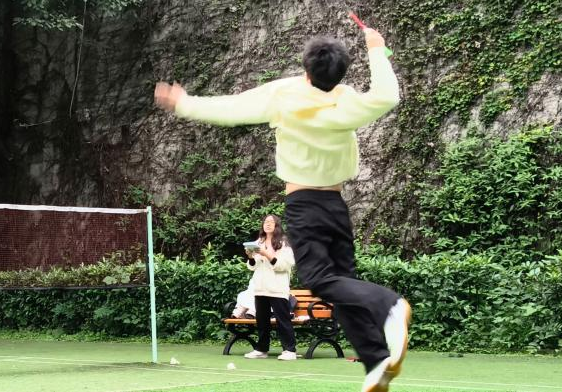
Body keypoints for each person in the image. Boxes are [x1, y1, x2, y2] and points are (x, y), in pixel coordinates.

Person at [155, 28, 411, 392]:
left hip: (304, 204)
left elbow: (233, 108)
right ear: (341, 74)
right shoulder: (349, 102)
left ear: (306, 70)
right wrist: (376, 49)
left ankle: (389, 305)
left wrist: (184, 103)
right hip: (336, 205)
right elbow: (387, 94)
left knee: (320, 281)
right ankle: (376, 361)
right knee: (343, 285)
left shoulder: (285, 95)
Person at [244, 214, 299, 361]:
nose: (267, 224)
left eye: (271, 222)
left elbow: (285, 265)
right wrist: (250, 257)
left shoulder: (284, 243)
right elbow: (253, 266)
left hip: (277, 288)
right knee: (262, 321)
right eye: (265, 222)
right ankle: (261, 349)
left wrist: (267, 254)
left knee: (283, 320)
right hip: (260, 288)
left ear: (277, 225)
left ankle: (290, 350)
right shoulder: (259, 242)